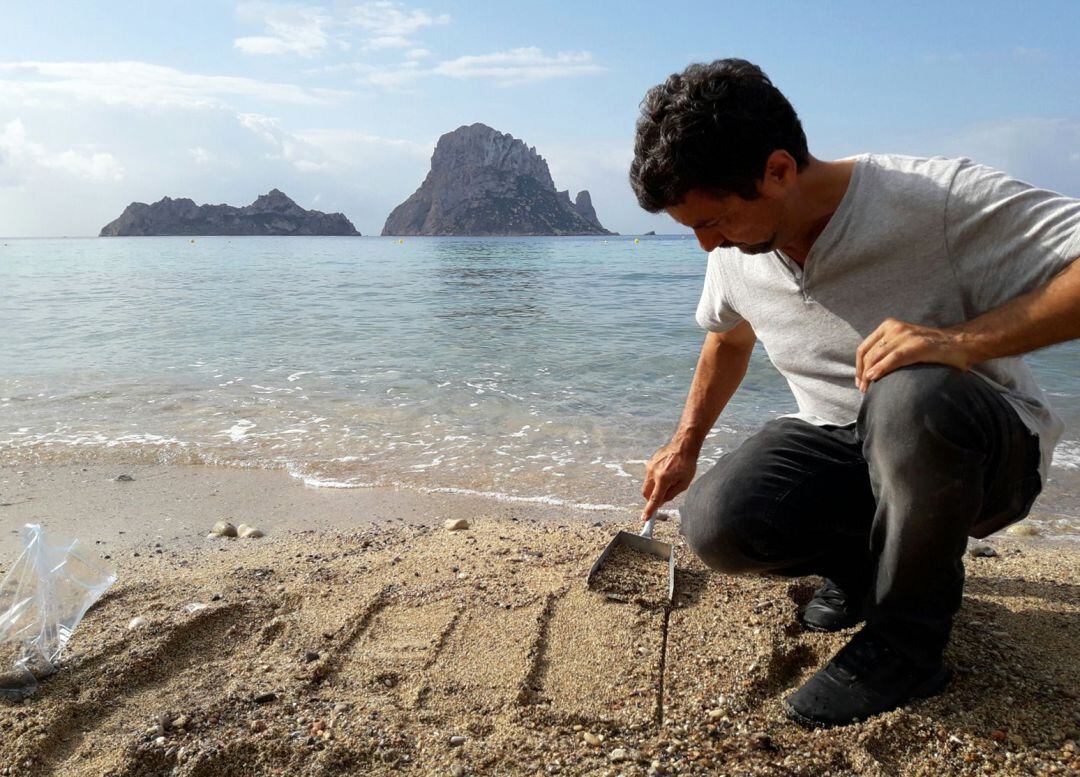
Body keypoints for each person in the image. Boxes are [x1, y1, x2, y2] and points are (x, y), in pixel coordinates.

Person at [629, 58, 1080, 728]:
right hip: (845, 444)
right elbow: (728, 336)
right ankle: (870, 568)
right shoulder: (736, 249)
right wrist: (684, 444)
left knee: (908, 394)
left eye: (717, 220)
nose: (705, 245)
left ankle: (907, 646)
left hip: (976, 456)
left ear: (779, 170)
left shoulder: (934, 199)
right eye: (691, 226)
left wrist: (962, 343)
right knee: (718, 521)